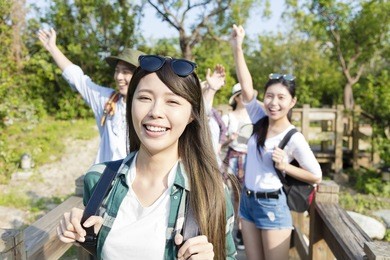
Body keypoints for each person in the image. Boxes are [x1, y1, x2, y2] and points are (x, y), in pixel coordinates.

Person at [56, 54, 237, 259]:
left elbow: (228, 254)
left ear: (192, 115)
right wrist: (79, 229)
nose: (156, 111)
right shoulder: (99, 179)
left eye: (172, 101)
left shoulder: (211, 190)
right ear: (130, 104)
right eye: (144, 98)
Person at [231, 24, 322, 260]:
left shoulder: (294, 137)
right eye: (270, 96)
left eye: (281, 97)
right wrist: (238, 47)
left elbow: (316, 176)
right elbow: (246, 85)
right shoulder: (259, 119)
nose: (274, 102)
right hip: (248, 202)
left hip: (272, 205)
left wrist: (286, 166)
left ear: (292, 102)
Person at [38, 28, 144, 163]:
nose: (119, 77)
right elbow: (78, 79)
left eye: (126, 72)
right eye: (117, 71)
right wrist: (52, 48)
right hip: (104, 179)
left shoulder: (150, 109)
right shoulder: (107, 100)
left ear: (140, 76)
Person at [221, 82, 252, 250]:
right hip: (233, 157)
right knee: (234, 195)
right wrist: (230, 138)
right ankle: (235, 230)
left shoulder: (254, 115)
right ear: (238, 97)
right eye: (243, 94)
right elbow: (221, 140)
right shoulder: (228, 116)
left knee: (247, 195)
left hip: (251, 159)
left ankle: (243, 230)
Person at [202, 64, 228, 169]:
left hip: (214, 162)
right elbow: (203, 111)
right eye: (205, 86)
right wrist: (211, 89)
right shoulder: (191, 113)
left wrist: (219, 144)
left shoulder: (214, 113)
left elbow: (223, 128)